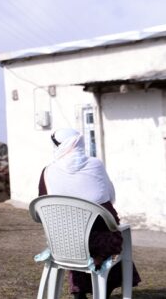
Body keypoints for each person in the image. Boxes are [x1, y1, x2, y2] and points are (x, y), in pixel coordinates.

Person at [38, 128, 141, 299]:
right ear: (79, 142)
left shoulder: (48, 172)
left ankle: (80, 290)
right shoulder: (95, 165)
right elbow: (110, 197)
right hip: (101, 245)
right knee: (106, 236)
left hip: (63, 244)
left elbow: (42, 209)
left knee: (75, 233)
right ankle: (101, 286)